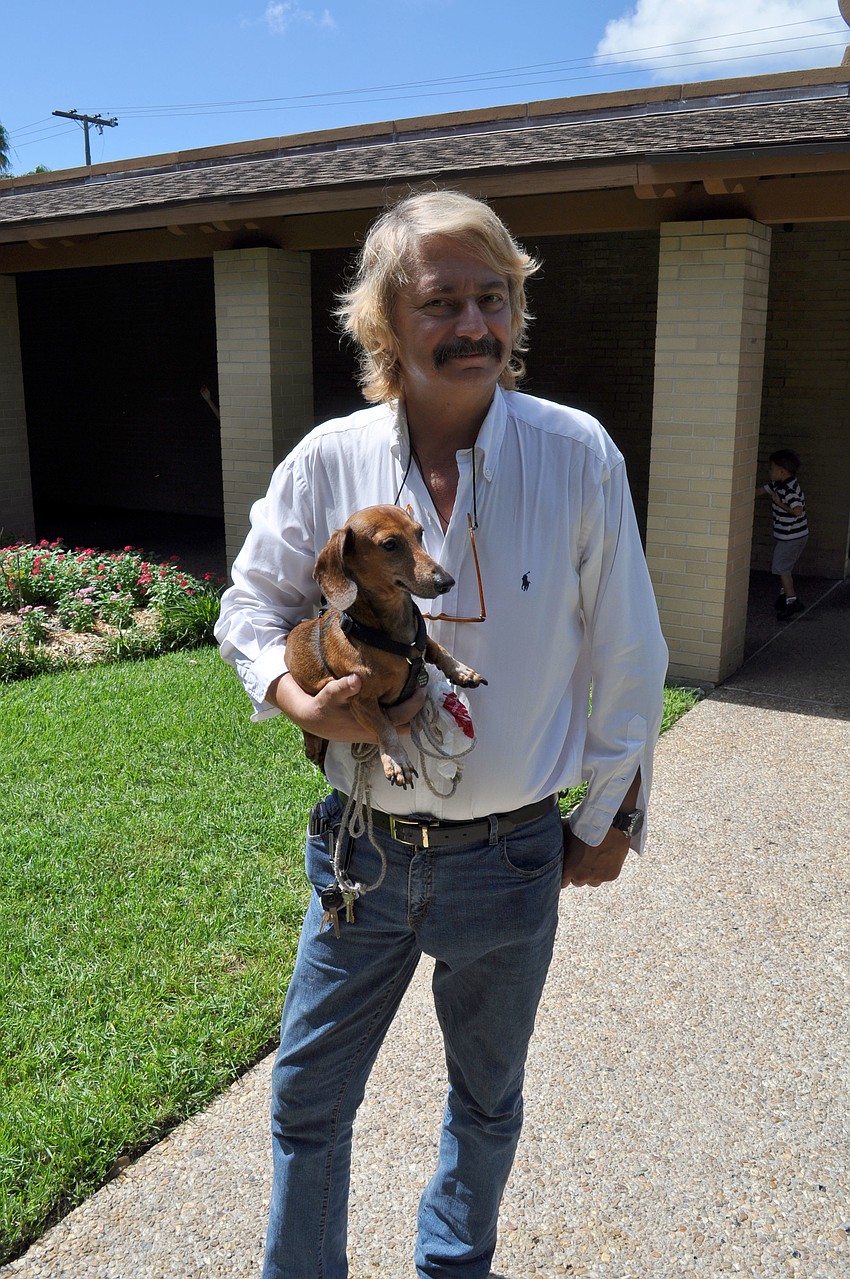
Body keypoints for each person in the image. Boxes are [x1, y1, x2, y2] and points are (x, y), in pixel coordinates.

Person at [215, 189, 668, 1279]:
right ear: (384, 321)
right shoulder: (327, 460)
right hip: (360, 854)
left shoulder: (576, 453)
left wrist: (610, 815)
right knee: (307, 1100)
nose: (475, 323)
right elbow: (248, 606)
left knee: (486, 1099)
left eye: (494, 297)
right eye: (442, 301)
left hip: (511, 855)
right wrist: (295, 698)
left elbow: (631, 647)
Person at [758, 448, 808, 618]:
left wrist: (779, 504)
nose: (769, 471)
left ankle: (792, 601)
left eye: (771, 468)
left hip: (792, 537)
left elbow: (797, 511)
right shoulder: (778, 485)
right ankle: (784, 595)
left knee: (781, 567)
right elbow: (761, 490)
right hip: (794, 535)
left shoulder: (788, 490)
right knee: (784, 567)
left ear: (781, 471)